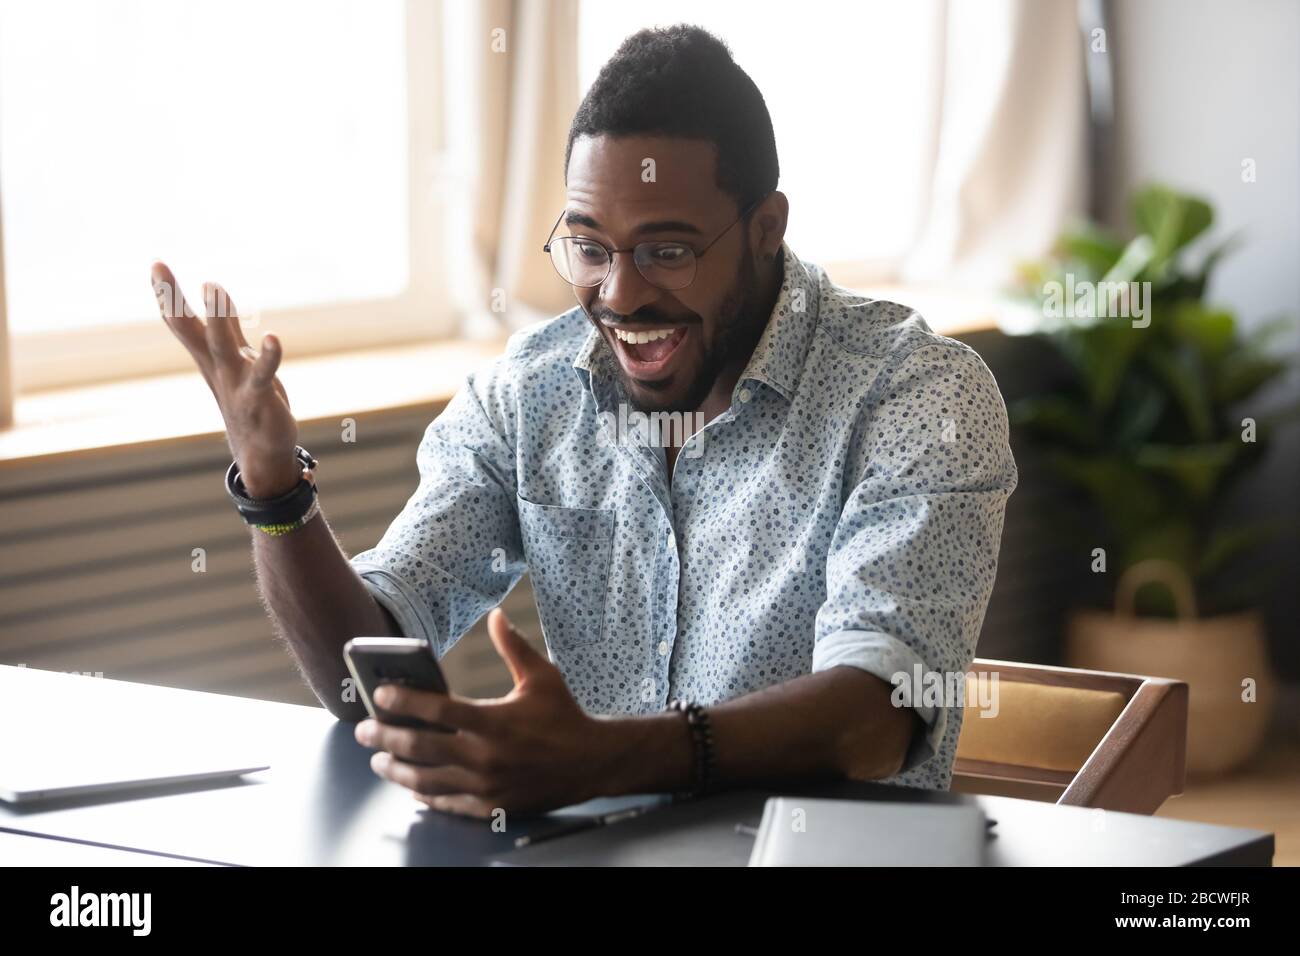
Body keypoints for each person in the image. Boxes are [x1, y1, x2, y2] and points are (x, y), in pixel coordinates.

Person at [151, 24, 1017, 818]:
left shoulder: (917, 397)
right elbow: (360, 673)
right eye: (591, 248)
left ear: (765, 229)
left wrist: (604, 761)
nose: (622, 294)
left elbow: (878, 713)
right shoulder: (530, 395)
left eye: (667, 252)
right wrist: (274, 490)